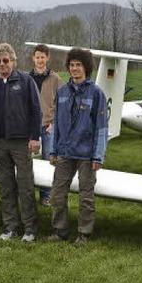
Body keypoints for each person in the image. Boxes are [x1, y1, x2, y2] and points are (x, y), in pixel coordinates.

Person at [48, 48, 108, 246]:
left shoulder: (96, 93)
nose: (74, 68)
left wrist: (97, 156)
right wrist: (53, 150)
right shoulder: (63, 92)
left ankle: (84, 233)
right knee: (57, 194)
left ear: (86, 67)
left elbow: (101, 127)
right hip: (65, 152)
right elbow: (57, 124)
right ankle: (60, 230)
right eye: (71, 65)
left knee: (86, 196)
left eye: (78, 65)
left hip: (86, 154)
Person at [0, 43, 42, 242]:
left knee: (25, 186)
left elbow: (36, 110)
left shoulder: (25, 81)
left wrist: (35, 137)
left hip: (21, 142)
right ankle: (10, 227)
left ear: (13, 61)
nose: (2, 64)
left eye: (6, 60)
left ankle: (30, 229)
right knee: (5, 185)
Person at [28, 44, 64, 207]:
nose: (40, 60)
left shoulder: (55, 79)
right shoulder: (26, 78)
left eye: (43, 57)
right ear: (33, 58)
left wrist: (54, 122)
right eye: (37, 57)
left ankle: (46, 196)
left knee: (49, 160)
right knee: (25, 161)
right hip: (30, 127)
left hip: (49, 126)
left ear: (47, 58)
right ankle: (26, 195)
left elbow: (63, 103)